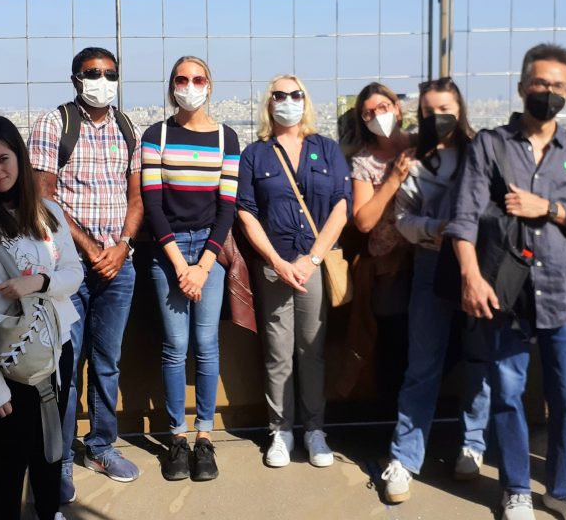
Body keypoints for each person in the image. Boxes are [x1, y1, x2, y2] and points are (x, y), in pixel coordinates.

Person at [446, 44, 566, 520]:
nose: (549, 93)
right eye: (541, 84)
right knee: (508, 394)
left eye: (559, 86)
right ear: (521, 87)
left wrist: (550, 208)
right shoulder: (491, 145)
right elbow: (463, 218)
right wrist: (471, 278)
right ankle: (516, 487)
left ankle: (563, 489)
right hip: (505, 292)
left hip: (565, 291)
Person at [0, 116, 83, 520]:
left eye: (3, 159)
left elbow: (74, 274)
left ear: (20, 159)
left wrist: (37, 283)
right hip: (5, 361)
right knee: (10, 460)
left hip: (56, 349)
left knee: (50, 448)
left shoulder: (49, 212)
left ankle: (49, 511)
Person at [28, 47, 144, 501]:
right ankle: (57, 461)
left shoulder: (126, 127)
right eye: (93, 73)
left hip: (119, 264)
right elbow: (44, 198)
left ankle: (100, 445)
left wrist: (122, 247)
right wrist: (92, 249)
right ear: (76, 77)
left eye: (110, 73)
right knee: (65, 367)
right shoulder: (55, 124)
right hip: (69, 268)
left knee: (108, 362)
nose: (102, 79)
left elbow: (136, 199)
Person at [380, 77, 491, 504]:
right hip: (430, 262)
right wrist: (435, 229)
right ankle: (405, 457)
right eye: (428, 112)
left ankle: (473, 444)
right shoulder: (414, 161)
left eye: (444, 108)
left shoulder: (482, 153)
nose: (437, 117)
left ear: (460, 108)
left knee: (480, 358)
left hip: (479, 265)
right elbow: (403, 219)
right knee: (422, 364)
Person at [236, 74, 351, 469]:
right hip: (274, 266)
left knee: (312, 351)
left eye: (295, 94)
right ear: (269, 103)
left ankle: (314, 430)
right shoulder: (256, 153)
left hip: (313, 265)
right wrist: (277, 262)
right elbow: (246, 212)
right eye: (279, 95)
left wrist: (313, 259)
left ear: (306, 100)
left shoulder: (327, 148)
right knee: (277, 353)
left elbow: (341, 205)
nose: (287, 100)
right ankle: (280, 431)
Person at [140, 56, 240, 482]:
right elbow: (152, 204)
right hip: (170, 252)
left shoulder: (225, 137)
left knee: (206, 343)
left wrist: (203, 264)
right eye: (182, 79)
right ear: (172, 86)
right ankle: (176, 435)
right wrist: (182, 265)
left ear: (210, 86)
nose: (190, 85)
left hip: (208, 252)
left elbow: (228, 206)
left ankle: (205, 436)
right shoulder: (156, 134)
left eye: (198, 79)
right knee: (174, 345)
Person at [347, 82, 414, 411]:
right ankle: (390, 429)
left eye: (382, 108)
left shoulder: (422, 146)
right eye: (368, 113)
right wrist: (393, 180)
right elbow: (364, 221)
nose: (377, 116)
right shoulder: (364, 162)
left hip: (428, 258)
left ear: (397, 108)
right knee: (392, 350)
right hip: (389, 267)